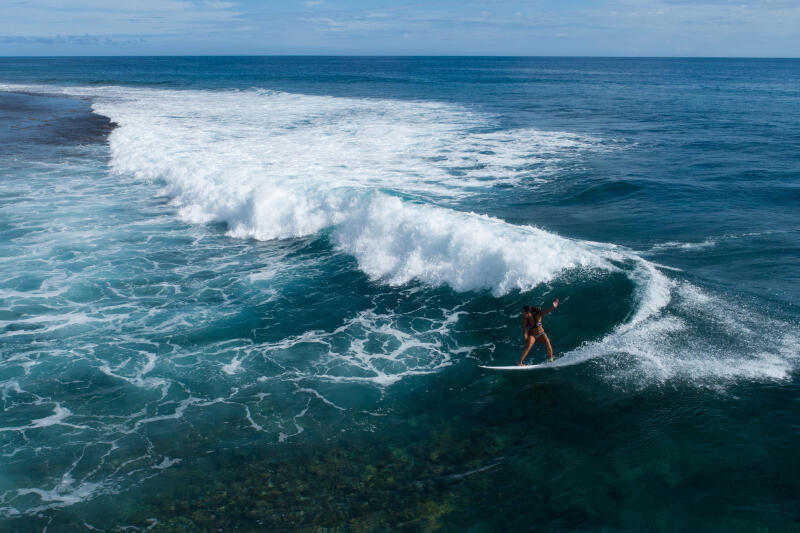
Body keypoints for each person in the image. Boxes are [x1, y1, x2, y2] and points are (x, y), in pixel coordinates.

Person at [518, 299, 559, 366]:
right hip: (532, 335)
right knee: (528, 346)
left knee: (547, 343)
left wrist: (553, 306)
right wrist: (525, 341)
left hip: (541, 334)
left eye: (523, 312)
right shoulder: (524, 321)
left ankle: (551, 360)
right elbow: (525, 332)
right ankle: (520, 363)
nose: (522, 313)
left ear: (528, 312)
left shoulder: (537, 316)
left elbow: (545, 311)